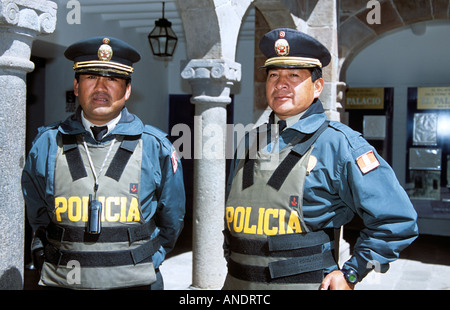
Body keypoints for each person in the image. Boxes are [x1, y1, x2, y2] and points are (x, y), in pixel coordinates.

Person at [222, 28, 418, 290]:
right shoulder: (249, 140)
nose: (281, 83)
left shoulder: (339, 144)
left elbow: (398, 219)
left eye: (293, 75)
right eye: (273, 75)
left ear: (317, 87)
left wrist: (351, 273)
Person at [22, 36, 185, 290]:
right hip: (64, 282)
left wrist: (149, 258)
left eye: (112, 79)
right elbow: (38, 216)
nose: (100, 87)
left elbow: (172, 219)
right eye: (90, 77)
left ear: (127, 90)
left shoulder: (156, 146)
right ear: (76, 86)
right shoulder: (47, 143)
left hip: (136, 284)